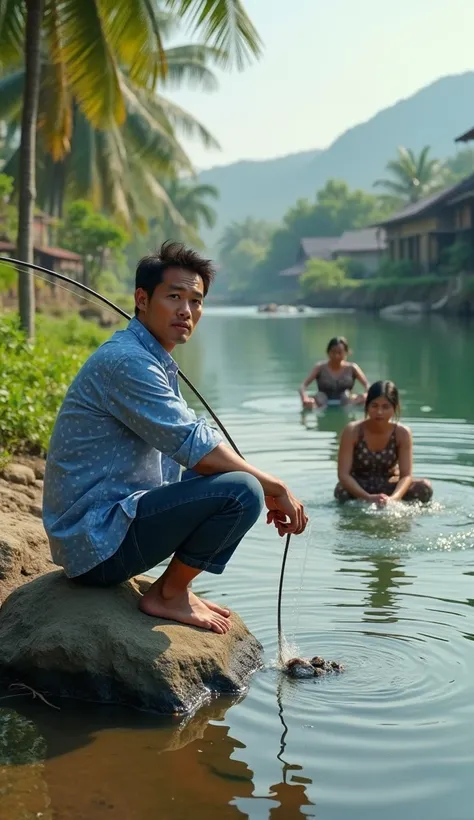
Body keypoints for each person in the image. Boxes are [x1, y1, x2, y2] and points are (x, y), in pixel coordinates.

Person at [43, 242, 308, 635]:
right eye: (174, 297)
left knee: (229, 479)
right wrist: (273, 485)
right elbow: (195, 449)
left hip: (106, 523)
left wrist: (257, 478)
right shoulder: (129, 362)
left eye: (196, 301)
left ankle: (175, 589)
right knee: (242, 492)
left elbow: (196, 437)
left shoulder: (150, 357)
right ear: (142, 299)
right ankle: (168, 594)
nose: (187, 310)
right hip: (95, 542)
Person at [334, 380, 433, 504]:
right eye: (374, 406)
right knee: (341, 491)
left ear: (395, 407)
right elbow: (343, 475)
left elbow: (406, 475)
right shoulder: (352, 431)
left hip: (390, 485)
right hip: (359, 486)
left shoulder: (402, 433)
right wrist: (367, 497)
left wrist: (394, 499)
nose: (379, 412)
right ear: (367, 406)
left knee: (424, 487)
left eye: (385, 407)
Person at [299, 336, 369, 409]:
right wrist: (305, 398)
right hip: (321, 403)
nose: (336, 356)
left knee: (350, 396)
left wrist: (366, 395)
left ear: (346, 353)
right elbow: (302, 386)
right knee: (317, 398)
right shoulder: (320, 367)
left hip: (348, 402)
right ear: (328, 352)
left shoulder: (352, 368)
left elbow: (367, 385)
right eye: (333, 352)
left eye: (340, 352)